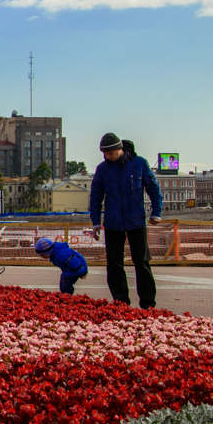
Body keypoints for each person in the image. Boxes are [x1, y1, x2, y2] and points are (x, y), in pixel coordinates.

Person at [88, 132, 162, 308]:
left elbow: (153, 189)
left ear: (120, 149)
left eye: (111, 153)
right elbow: (96, 196)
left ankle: (148, 303)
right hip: (113, 223)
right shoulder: (103, 169)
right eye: (105, 154)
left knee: (142, 262)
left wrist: (156, 212)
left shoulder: (139, 164)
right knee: (114, 265)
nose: (108, 157)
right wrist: (96, 222)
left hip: (136, 221)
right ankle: (121, 302)